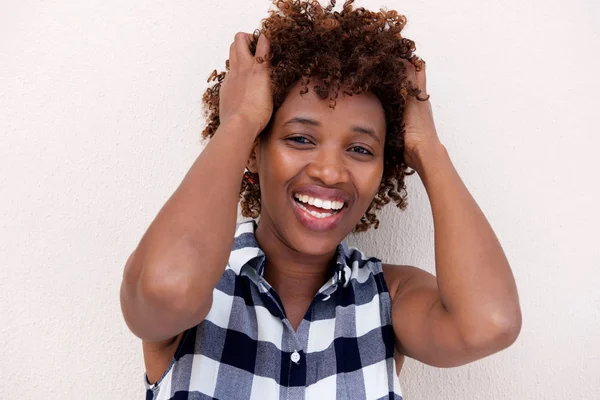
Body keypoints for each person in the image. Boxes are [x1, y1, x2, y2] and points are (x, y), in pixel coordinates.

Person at [119, 1, 522, 399]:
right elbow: (166, 288)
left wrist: (427, 147)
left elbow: (489, 322)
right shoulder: (200, 285)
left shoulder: (390, 297)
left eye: (362, 149)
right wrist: (238, 123)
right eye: (300, 138)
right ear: (253, 150)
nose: (330, 172)